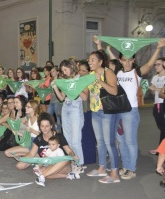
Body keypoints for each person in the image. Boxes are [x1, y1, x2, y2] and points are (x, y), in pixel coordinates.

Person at [114, 39, 165, 179]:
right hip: (118, 112)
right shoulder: (118, 72)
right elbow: (111, 59)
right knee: (121, 140)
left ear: (134, 60)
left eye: (130, 60)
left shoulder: (136, 72)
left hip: (131, 112)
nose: (128, 62)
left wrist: (158, 48)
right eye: (124, 60)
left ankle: (131, 169)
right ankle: (125, 165)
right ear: (120, 60)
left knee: (130, 141)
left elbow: (149, 64)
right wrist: (101, 46)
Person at [14, 112, 79, 187]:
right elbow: (31, 153)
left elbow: (69, 151)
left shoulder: (58, 136)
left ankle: (41, 177)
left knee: (64, 159)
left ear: (51, 126)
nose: (44, 128)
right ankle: (68, 175)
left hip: (63, 165)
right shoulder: (38, 138)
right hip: (49, 165)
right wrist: (22, 159)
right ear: (40, 127)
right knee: (21, 166)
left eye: (47, 126)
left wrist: (73, 155)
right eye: (42, 126)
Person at [86, 50, 120, 183]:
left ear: (100, 62)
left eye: (93, 60)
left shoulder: (108, 72)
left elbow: (114, 91)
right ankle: (101, 168)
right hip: (95, 112)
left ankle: (115, 172)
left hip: (108, 112)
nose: (90, 62)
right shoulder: (90, 74)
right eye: (89, 60)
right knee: (99, 142)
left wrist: (100, 81)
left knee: (109, 142)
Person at [51, 59, 88, 172]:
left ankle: (80, 163)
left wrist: (75, 86)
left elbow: (85, 97)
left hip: (76, 109)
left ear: (71, 68)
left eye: (65, 70)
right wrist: (55, 87)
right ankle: (73, 161)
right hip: (66, 108)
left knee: (75, 139)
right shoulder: (66, 80)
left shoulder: (81, 79)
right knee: (67, 138)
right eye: (62, 70)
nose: (64, 72)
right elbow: (61, 98)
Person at [149, 57, 165, 154]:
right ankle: (161, 149)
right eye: (155, 64)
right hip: (157, 104)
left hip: (163, 103)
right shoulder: (155, 77)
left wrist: (156, 88)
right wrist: (152, 89)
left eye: (158, 64)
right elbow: (151, 91)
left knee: (163, 128)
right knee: (162, 127)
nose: (156, 66)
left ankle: (160, 149)